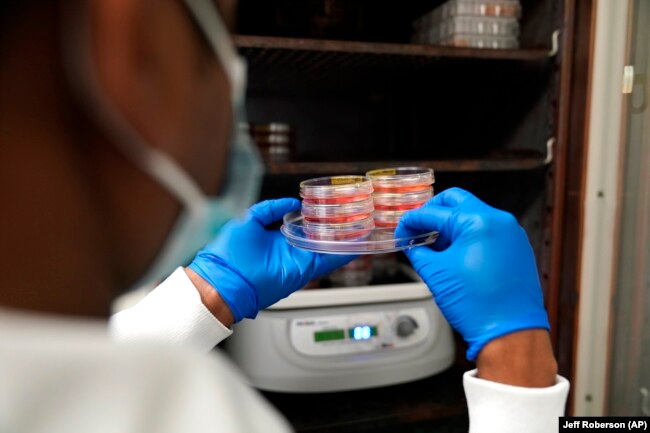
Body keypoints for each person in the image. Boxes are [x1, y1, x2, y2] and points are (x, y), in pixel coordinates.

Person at [0, 0, 569, 432]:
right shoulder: (195, 407)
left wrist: (206, 293)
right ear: (133, 44)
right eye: (219, 43)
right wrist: (516, 356)